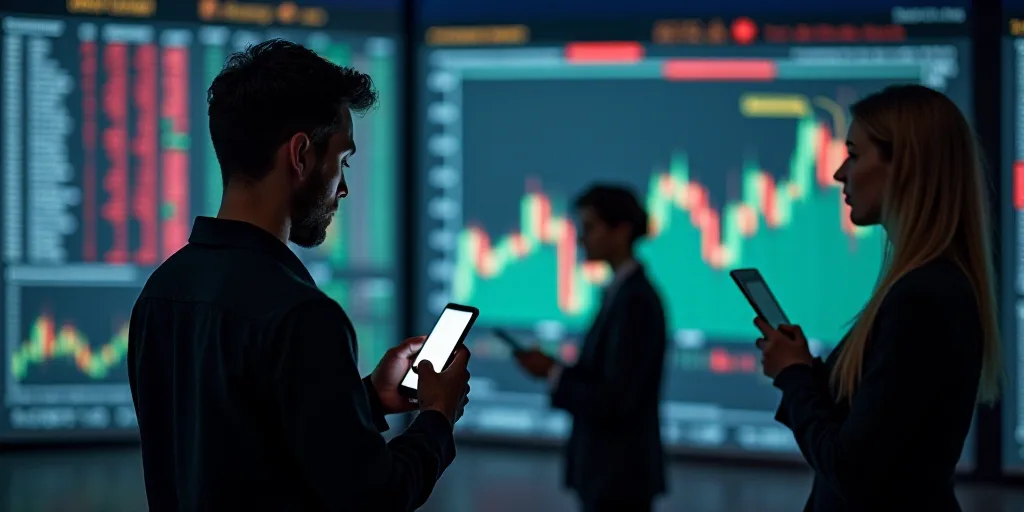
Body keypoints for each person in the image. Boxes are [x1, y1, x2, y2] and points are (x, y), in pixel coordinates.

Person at [127, 39, 471, 511]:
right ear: (301, 155)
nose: (344, 187)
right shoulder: (302, 315)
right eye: (342, 160)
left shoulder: (161, 293)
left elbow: (245, 450)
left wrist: (365, 398)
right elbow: (377, 497)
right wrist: (438, 416)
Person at [754, 84, 1002, 512]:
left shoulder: (922, 298)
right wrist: (804, 371)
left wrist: (794, 379)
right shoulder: (928, 285)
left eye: (854, 153)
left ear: (904, 165)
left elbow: (853, 471)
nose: (839, 173)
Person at [514, 185, 668, 512]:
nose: (582, 240)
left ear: (622, 230)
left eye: (590, 228)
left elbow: (614, 399)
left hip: (619, 478)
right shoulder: (621, 293)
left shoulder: (635, 301)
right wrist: (554, 370)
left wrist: (554, 373)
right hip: (609, 475)